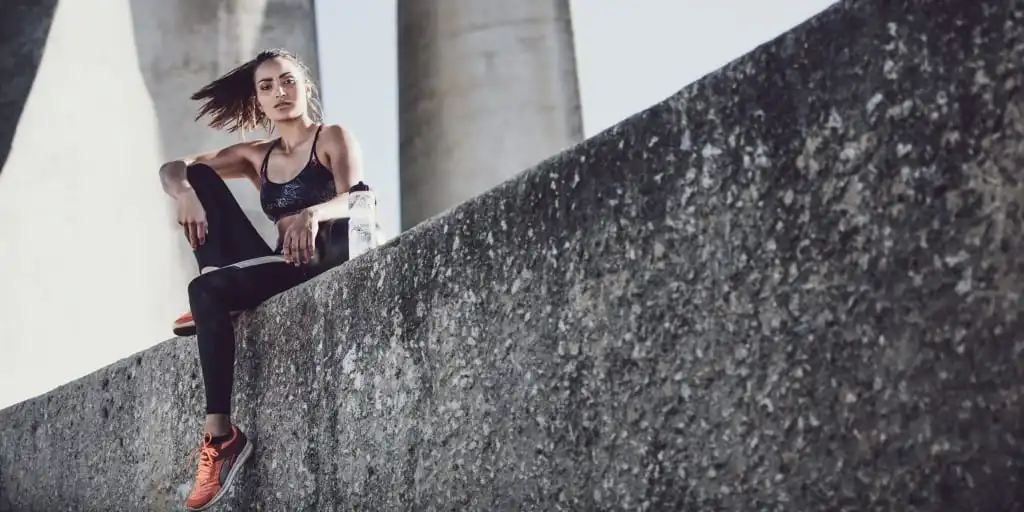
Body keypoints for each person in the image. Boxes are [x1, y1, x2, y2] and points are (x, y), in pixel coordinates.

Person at [158, 48, 364, 511]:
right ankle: (221, 287)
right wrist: (185, 193)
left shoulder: (331, 137)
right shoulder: (256, 156)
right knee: (197, 175)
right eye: (267, 86)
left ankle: (220, 437)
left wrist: (312, 212)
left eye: (288, 81)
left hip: (317, 261)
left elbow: (360, 201)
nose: (280, 93)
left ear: (305, 86)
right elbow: (172, 168)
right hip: (277, 265)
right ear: (258, 99)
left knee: (204, 293)